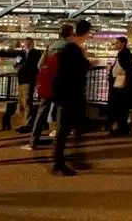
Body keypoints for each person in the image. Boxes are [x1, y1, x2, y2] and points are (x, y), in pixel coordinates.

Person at [21, 24, 73, 151]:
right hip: (64, 85)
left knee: (41, 112)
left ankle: (33, 142)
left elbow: (39, 65)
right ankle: (59, 145)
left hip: (49, 84)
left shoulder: (50, 47)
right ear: (70, 34)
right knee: (61, 113)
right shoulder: (71, 48)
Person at [51, 20, 92, 176]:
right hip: (70, 94)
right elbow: (76, 70)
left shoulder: (70, 48)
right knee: (65, 129)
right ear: (86, 33)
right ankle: (59, 163)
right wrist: (86, 61)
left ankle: (67, 160)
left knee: (70, 128)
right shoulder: (73, 49)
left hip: (66, 93)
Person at [5, 37, 42, 133]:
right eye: (26, 43)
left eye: (29, 43)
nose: (27, 44)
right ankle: (22, 123)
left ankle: (27, 124)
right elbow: (16, 64)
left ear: (32, 43)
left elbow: (34, 65)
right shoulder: (21, 53)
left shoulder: (36, 53)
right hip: (21, 80)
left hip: (29, 80)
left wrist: (22, 66)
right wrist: (17, 66)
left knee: (26, 101)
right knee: (21, 103)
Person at [107, 37, 132, 136]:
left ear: (123, 43)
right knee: (120, 106)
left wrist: (120, 73)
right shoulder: (123, 53)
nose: (116, 44)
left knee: (119, 106)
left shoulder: (124, 53)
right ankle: (121, 127)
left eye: (118, 43)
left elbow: (128, 67)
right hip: (119, 82)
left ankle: (121, 128)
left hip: (120, 82)